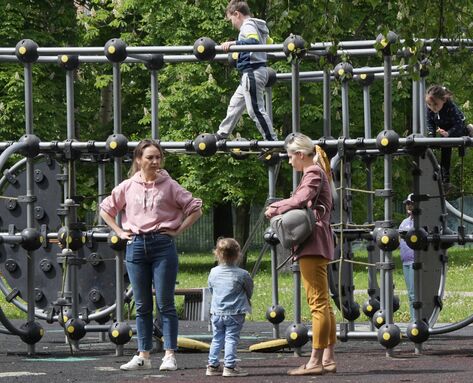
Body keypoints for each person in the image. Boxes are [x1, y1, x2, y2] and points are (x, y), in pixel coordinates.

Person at [99, 139, 202, 371]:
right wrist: (119, 231)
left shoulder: (170, 185)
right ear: (139, 160)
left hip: (162, 246)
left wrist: (177, 230)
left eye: (158, 157)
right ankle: (143, 355)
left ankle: (169, 355)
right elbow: (106, 209)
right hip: (135, 245)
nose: (155, 161)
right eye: (150, 157)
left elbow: (195, 209)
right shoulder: (128, 186)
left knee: (165, 303)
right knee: (142, 304)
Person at [264, 133, 336, 376]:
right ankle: (328, 358)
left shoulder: (313, 172)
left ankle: (315, 361)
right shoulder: (317, 172)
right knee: (324, 304)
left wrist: (275, 208)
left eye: (290, 156)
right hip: (319, 242)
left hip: (313, 244)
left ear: (300, 154)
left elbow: (300, 199)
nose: (288, 162)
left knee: (317, 304)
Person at [215, 0, 278, 142]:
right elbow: (269, 43)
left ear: (237, 14)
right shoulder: (258, 25)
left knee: (255, 110)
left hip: (253, 71)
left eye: (231, 19)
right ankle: (222, 134)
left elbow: (254, 41)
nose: (232, 24)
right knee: (235, 104)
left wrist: (234, 43)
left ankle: (271, 141)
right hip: (251, 72)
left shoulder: (248, 25)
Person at [205, 237, 253, 378]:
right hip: (235, 312)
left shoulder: (213, 272)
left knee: (217, 338)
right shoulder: (243, 274)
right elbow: (249, 290)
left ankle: (213, 366)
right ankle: (229, 366)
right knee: (231, 338)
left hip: (217, 312)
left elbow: (211, 289)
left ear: (217, 254)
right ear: (238, 255)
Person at [425, 85, 469, 190]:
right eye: (429, 104)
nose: (432, 107)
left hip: (457, 128)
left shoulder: (450, 107)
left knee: (457, 139)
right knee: (445, 150)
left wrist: (449, 133)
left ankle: (469, 131)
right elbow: (430, 123)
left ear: (443, 100)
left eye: (435, 104)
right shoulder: (430, 109)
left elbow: (458, 124)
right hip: (444, 131)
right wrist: (431, 135)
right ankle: (445, 180)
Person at [399, 193, 415, 321]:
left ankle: (417, 320)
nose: (409, 206)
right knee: (410, 294)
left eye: (411, 203)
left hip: (416, 262)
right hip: (405, 262)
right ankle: (413, 319)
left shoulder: (421, 222)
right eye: (407, 203)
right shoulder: (404, 222)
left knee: (415, 293)